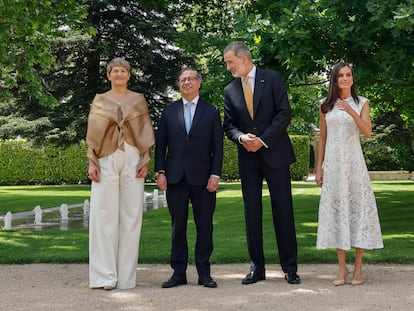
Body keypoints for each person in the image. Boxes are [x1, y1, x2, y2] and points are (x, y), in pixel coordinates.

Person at [223, 41, 300, 285]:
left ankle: (290, 268)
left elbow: (284, 113)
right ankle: (257, 269)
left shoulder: (273, 78)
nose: (228, 67)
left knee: (283, 211)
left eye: (230, 62)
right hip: (248, 158)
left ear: (244, 59)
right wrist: (242, 137)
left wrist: (263, 140)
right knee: (251, 213)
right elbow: (229, 125)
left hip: (275, 153)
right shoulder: (230, 90)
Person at [86, 57, 155, 290]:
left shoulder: (138, 100)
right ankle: (105, 276)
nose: (119, 74)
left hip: (133, 157)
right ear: (108, 75)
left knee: (131, 215)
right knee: (103, 216)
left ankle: (126, 278)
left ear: (129, 75)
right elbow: (92, 133)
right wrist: (91, 162)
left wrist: (145, 159)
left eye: (123, 71)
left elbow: (144, 130)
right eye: (115, 71)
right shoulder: (100, 100)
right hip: (105, 158)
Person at [315, 62, 383, 286]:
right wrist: (319, 167)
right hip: (334, 167)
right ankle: (342, 268)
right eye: (341, 75)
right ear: (335, 79)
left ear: (353, 78)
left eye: (349, 75)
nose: (345, 78)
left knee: (358, 210)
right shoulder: (325, 105)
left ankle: (359, 268)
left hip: (354, 166)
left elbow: (368, 132)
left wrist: (352, 112)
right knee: (337, 212)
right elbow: (322, 138)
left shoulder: (362, 102)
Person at [155, 68, 223, 289]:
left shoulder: (211, 111)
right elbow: (161, 146)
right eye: (182, 80)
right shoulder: (168, 112)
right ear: (179, 85)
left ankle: (204, 273)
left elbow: (218, 148)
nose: (186, 82)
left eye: (190, 79)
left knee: (205, 227)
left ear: (199, 83)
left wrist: (215, 174)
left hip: (204, 180)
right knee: (178, 228)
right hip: (175, 178)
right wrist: (160, 171)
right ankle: (178, 273)